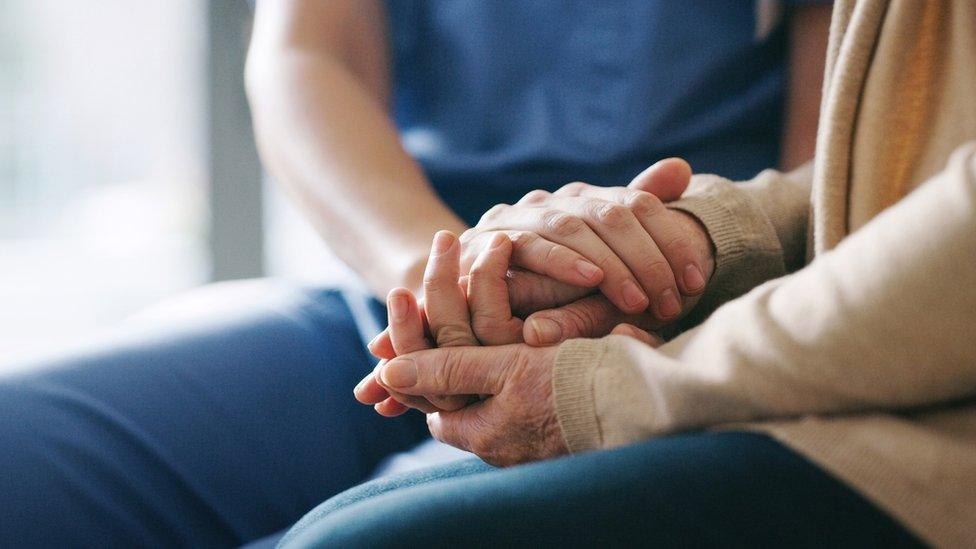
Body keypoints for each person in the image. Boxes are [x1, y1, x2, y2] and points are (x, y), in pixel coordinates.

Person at [0, 1, 830, 547]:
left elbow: (833, 171)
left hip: (666, 329)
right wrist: (441, 275)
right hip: (389, 292)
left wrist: (652, 289)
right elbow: (305, 58)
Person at [280, 0, 976, 547]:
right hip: (452, 285)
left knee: (346, 537)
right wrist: (701, 234)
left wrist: (613, 385)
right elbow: (887, 172)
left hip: (879, 405)